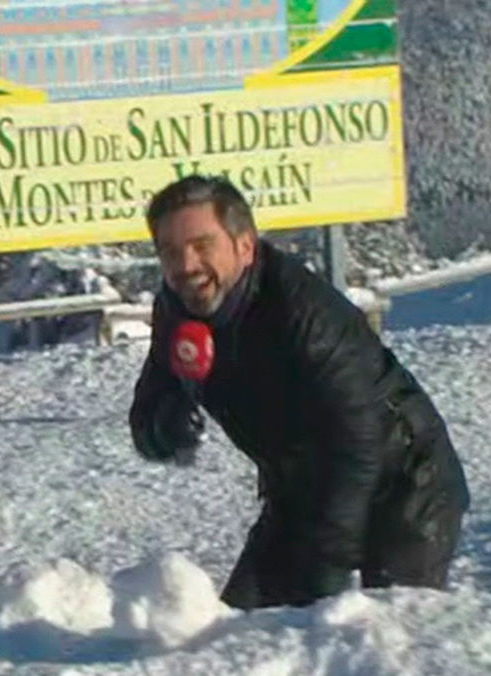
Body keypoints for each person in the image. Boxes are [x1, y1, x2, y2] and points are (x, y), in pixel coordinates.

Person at [128, 174, 471, 610]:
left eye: (201, 245)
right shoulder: (177, 312)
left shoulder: (303, 313)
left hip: (406, 481)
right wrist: (166, 426)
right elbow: (145, 419)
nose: (186, 265)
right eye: (170, 252)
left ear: (245, 246)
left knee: (389, 637)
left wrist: (322, 570)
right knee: (241, 633)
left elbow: (357, 444)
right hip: (301, 486)